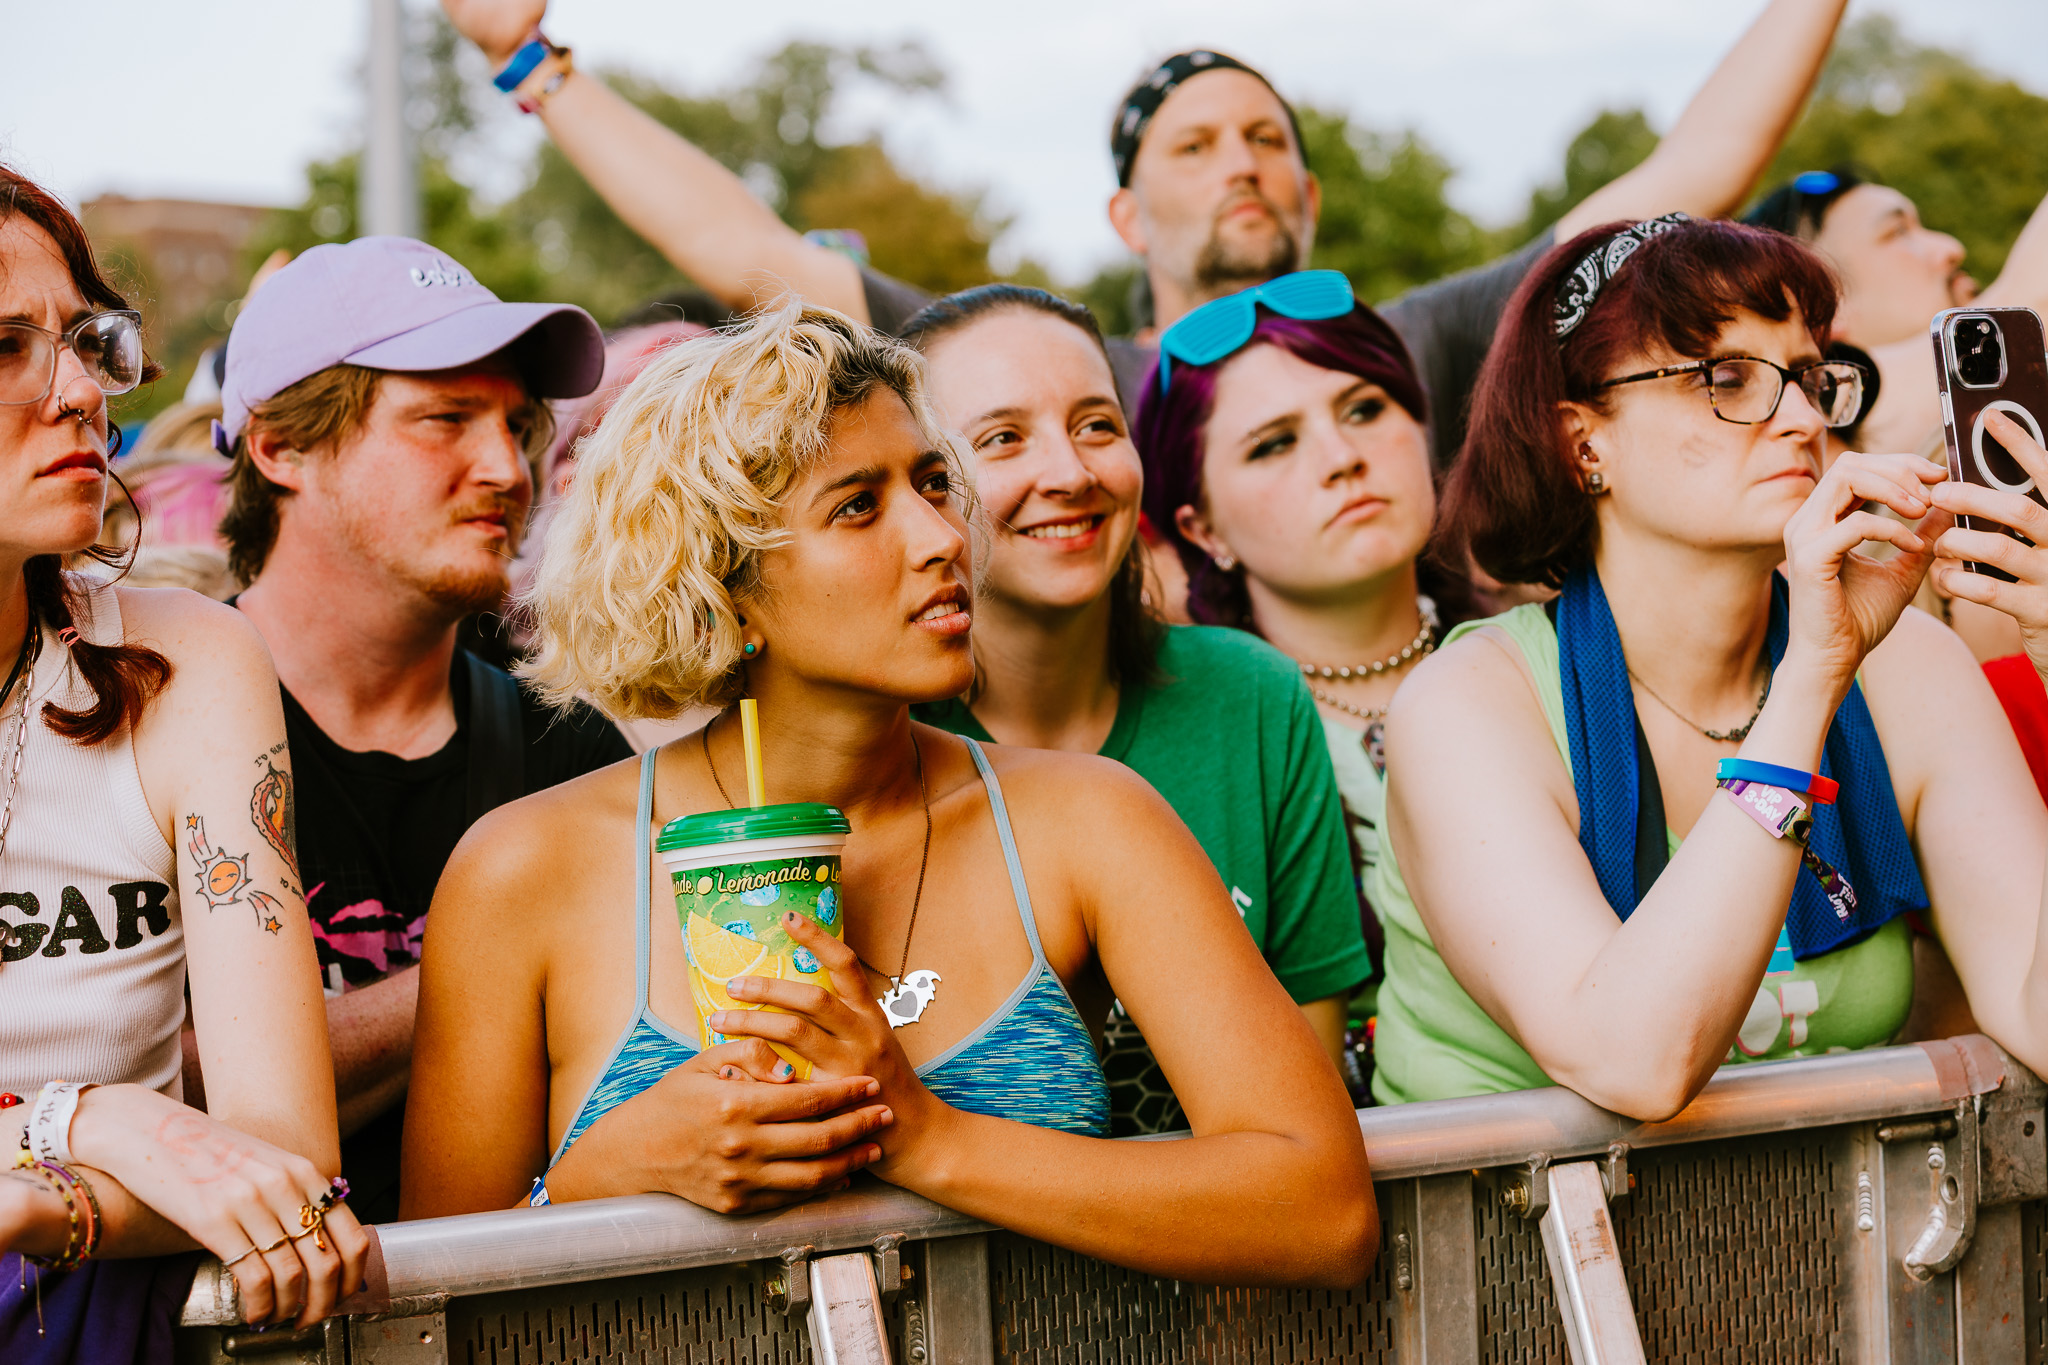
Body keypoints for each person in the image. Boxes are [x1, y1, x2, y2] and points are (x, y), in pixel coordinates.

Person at [402, 302, 1375, 1289]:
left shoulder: (1086, 821)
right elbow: (425, 1313)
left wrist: (924, 1137)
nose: (940, 536)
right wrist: (594, 1180)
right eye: (858, 507)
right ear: (723, 586)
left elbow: (1323, 1210)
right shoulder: (525, 870)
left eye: (934, 483)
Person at [438, 0, 1847, 458]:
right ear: (1126, 214)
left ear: (1308, 197)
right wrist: (531, 66)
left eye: (1268, 140)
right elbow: (756, 259)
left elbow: (1689, 174)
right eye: (1196, 144)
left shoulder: (1418, 347)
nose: (1242, 163)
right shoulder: (1069, 386)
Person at [1369, 214, 2048, 1116]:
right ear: (1583, 442)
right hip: (1511, 1209)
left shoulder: (1909, 666)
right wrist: (1811, 679)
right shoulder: (1468, 703)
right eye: (1727, 378)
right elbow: (1636, 1063)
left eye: (1811, 377)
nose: (1802, 419)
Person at [0, 166, 368, 1348]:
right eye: (4, 347)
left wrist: (36, 1203)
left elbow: (280, 1158)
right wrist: (91, 1123)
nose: (78, 392)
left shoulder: (185, 663)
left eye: (84, 340)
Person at [210, 236, 632, 1224]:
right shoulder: (143, 728)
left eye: (519, 426)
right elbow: (120, 1086)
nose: (509, 468)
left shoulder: (570, 753)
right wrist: (504, 962)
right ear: (280, 448)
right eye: (445, 418)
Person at [897, 285, 1369, 1126]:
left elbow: (1312, 1097)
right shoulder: (877, 740)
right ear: (925, 488)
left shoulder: (1250, 697)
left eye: (1096, 425)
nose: (1070, 473)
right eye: (1003, 438)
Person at [1130, 273, 1467, 1089]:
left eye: (1365, 408)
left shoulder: (1561, 654)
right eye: (1273, 443)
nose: (1343, 458)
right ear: (1202, 527)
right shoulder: (1174, 739)